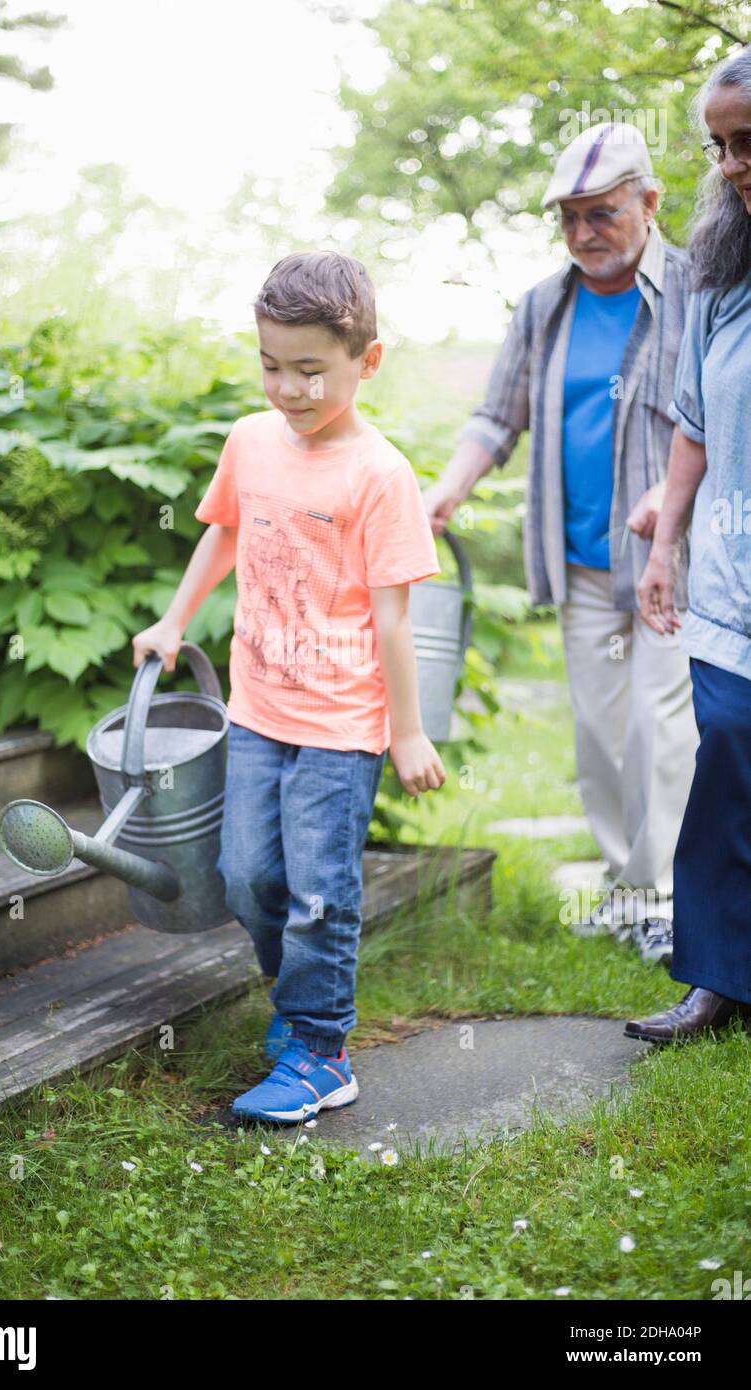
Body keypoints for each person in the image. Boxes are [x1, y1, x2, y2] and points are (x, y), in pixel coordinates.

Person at [132, 251, 446, 1120]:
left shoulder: (380, 474)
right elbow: (224, 534)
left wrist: (408, 732)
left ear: (365, 362)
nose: (289, 389)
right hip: (259, 708)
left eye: (311, 370)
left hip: (343, 722)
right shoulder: (249, 441)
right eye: (272, 365)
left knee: (318, 891)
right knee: (244, 878)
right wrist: (174, 619)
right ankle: (297, 1001)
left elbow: (393, 618)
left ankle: (318, 1047)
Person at [423, 122, 698, 964]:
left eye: (602, 214)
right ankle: (626, 892)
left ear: (649, 203)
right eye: (569, 218)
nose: (584, 234)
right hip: (579, 561)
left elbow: (723, 415)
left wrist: (672, 493)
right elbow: (497, 414)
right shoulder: (546, 305)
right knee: (598, 735)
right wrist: (444, 491)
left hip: (669, 564)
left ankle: (663, 899)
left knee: (659, 729)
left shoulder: (697, 289)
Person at [625, 47, 751, 1042]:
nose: (731, 163)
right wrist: (662, 544)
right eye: (717, 146)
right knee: (724, 769)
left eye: (745, 140)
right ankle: (714, 979)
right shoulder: (716, 281)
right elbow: (693, 428)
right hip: (727, 580)